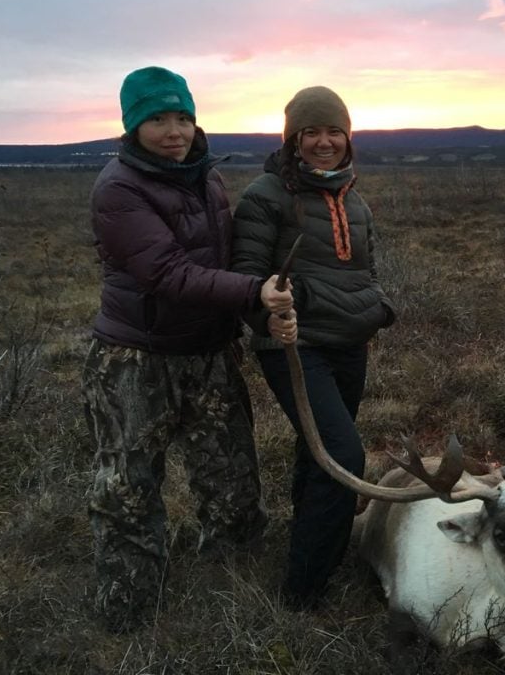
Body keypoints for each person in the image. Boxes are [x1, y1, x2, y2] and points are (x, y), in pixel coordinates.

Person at [82, 66, 297, 633]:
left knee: (231, 481)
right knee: (128, 488)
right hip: (137, 359)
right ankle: (128, 614)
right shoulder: (118, 187)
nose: (174, 130)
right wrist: (255, 292)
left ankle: (232, 589)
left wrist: (256, 310)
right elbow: (168, 273)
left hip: (209, 350)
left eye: (182, 116)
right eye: (158, 119)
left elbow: (222, 260)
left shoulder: (204, 176)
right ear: (133, 125)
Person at [231, 86, 396, 610]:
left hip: (351, 341)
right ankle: (302, 593)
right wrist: (270, 309)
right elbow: (248, 280)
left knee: (319, 451)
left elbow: (365, 270)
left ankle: (311, 545)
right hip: (295, 346)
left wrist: (377, 305)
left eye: (334, 132)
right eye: (311, 133)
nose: (324, 143)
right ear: (293, 139)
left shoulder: (355, 197)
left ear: (348, 138)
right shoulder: (266, 195)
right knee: (343, 454)